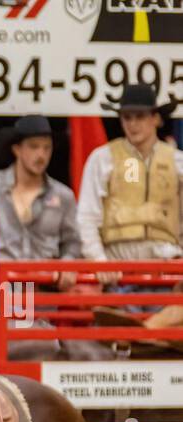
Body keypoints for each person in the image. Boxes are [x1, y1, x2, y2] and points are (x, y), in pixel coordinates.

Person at [78, 83, 183, 323]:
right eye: (127, 117)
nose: (133, 124)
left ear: (156, 119)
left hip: (167, 275)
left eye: (140, 117)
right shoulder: (102, 158)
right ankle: (151, 330)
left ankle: (150, 330)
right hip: (119, 276)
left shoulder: (177, 162)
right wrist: (100, 263)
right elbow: (87, 217)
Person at [0, 116, 81, 271]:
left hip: (44, 286)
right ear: (17, 149)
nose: (41, 155)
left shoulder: (63, 196)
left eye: (47, 148)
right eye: (34, 147)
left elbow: (73, 242)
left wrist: (68, 263)